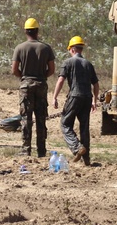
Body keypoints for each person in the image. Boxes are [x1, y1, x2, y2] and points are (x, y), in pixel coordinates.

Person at [11, 17, 56, 157]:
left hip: (25, 85)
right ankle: (41, 150)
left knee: (26, 118)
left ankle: (26, 149)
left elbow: (14, 70)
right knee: (41, 118)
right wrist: (42, 77)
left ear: (26, 31)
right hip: (41, 84)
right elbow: (52, 69)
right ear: (37, 31)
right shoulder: (46, 48)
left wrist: (23, 78)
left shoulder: (19, 48)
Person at [52, 35, 99, 165]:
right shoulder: (88, 64)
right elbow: (95, 84)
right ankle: (86, 159)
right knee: (84, 128)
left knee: (65, 124)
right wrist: (94, 100)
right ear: (81, 49)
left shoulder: (68, 62)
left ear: (72, 49)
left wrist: (55, 97)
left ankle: (77, 147)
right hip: (87, 98)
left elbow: (61, 80)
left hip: (74, 96)